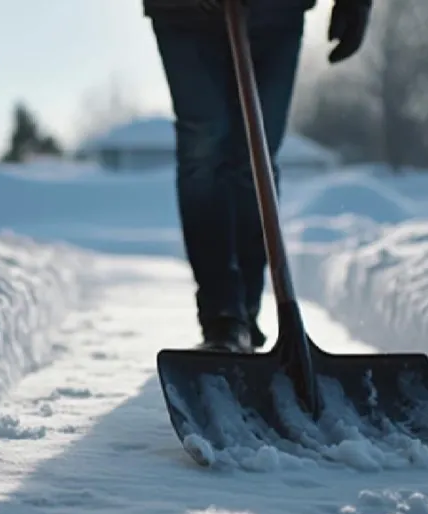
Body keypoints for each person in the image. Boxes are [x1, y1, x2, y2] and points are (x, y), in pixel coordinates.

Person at [144, 0, 373, 353]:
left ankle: (246, 311)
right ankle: (223, 316)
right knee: (204, 147)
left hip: (276, 9)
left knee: (257, 153)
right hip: (183, 11)